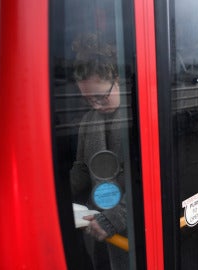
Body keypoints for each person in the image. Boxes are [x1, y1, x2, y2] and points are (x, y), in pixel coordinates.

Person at [70, 33, 128, 270]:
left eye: (101, 97)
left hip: (130, 232)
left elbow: (149, 183)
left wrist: (114, 218)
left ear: (117, 79)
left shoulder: (141, 115)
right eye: (88, 99)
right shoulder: (87, 121)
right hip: (97, 226)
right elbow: (82, 170)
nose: (96, 105)